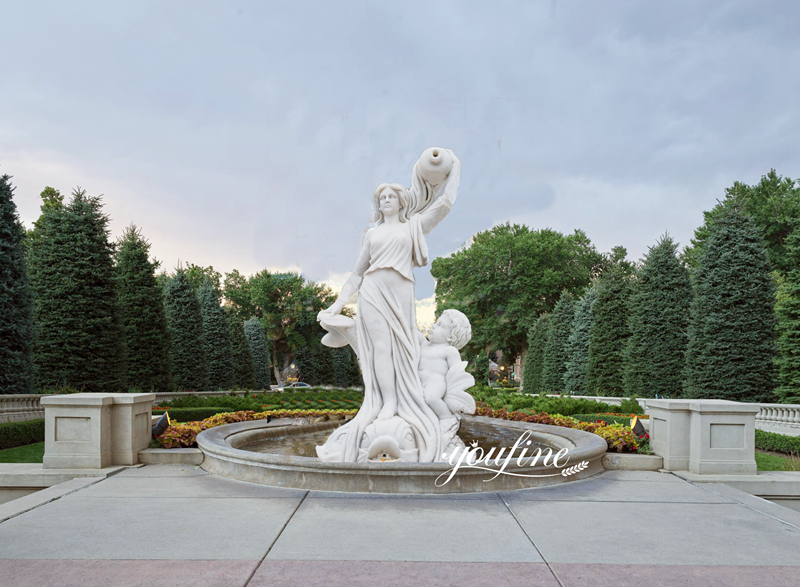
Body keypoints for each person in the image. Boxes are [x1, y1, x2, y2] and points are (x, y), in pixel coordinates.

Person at [316, 149, 461, 463]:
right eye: (380, 198)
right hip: (372, 291)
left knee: (405, 348)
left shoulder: (412, 227)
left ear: (401, 202)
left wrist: (455, 169)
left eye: (390, 197)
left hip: (400, 292)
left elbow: (444, 205)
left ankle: (402, 403)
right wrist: (336, 306)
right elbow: (356, 274)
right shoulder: (372, 234)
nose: (384, 201)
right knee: (381, 348)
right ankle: (388, 403)